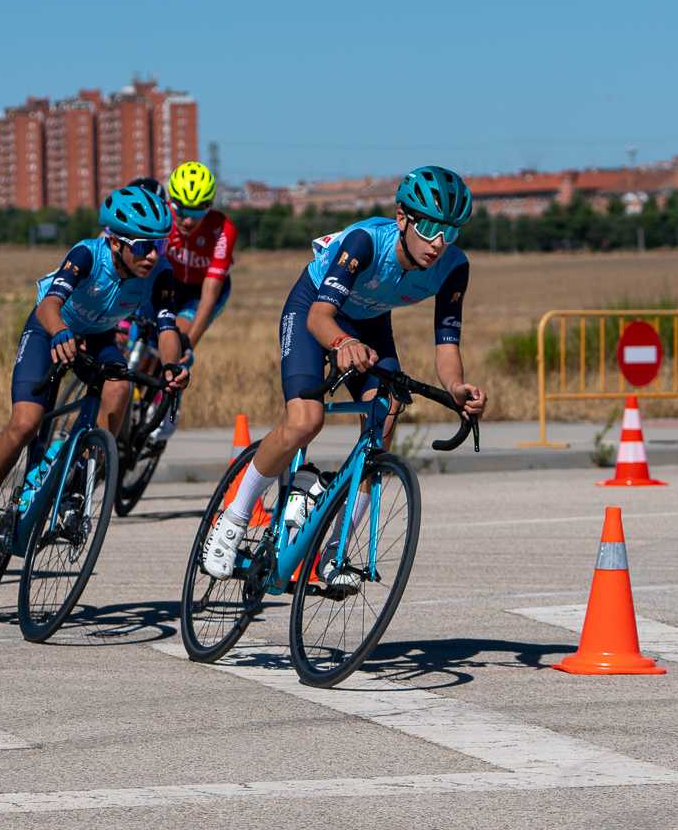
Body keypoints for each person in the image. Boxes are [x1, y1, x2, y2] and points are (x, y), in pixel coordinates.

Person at [198, 165, 486, 584]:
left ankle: (333, 552)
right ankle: (233, 518)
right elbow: (319, 317)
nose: (438, 243)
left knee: (383, 420)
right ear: (403, 218)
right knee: (305, 420)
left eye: (451, 232)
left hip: (369, 323)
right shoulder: (365, 243)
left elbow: (446, 345)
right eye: (428, 227)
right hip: (315, 308)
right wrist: (340, 345)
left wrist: (457, 387)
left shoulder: (453, 266)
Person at [0, 184, 190, 563]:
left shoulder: (159, 273)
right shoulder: (87, 255)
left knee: (119, 388)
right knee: (27, 422)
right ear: (116, 243)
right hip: (50, 328)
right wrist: (60, 331)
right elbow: (48, 305)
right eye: (144, 247)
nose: (153, 256)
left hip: (97, 337)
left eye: (159, 245)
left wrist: (173, 365)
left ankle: (78, 481)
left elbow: (166, 328)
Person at [155, 160, 237, 440]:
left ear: (209, 206)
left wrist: (189, 342)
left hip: (202, 291)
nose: (187, 220)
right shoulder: (162, 219)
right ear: (170, 203)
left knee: (178, 338)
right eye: (181, 210)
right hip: (171, 283)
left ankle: (167, 407)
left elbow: (209, 295)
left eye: (196, 212)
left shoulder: (221, 230)